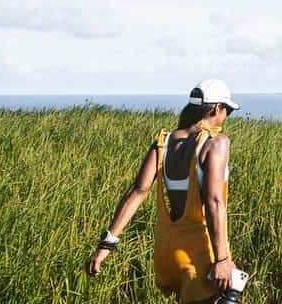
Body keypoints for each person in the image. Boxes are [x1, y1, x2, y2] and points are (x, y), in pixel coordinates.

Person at [87, 79, 240, 304]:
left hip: (167, 254)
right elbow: (214, 202)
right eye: (226, 110)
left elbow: (137, 191)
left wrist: (105, 246)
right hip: (198, 255)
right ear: (216, 108)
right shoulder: (216, 143)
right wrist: (223, 259)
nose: (225, 117)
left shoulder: (164, 142)